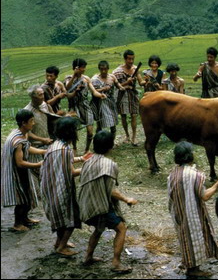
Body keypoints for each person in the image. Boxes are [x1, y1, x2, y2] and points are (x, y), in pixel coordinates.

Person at [168, 141, 218, 277]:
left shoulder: (172, 174)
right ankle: (193, 270)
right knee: (194, 237)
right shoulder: (195, 175)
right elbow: (205, 196)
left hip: (179, 212)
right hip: (192, 213)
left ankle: (189, 265)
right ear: (190, 156)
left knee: (185, 238)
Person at [78, 130, 137, 273]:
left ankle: (88, 257)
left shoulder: (88, 161)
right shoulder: (109, 165)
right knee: (121, 228)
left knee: (99, 229)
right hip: (99, 206)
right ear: (110, 146)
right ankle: (116, 263)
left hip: (85, 204)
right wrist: (126, 199)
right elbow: (111, 191)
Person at [40, 117, 86, 256]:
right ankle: (61, 247)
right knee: (71, 218)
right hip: (59, 188)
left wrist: (82, 159)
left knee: (61, 217)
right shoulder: (65, 150)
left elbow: (66, 162)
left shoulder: (55, 145)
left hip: (49, 187)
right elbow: (71, 172)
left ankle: (60, 242)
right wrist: (88, 168)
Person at [1, 109, 46, 232]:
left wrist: (42, 151)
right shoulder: (18, 140)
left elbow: (28, 147)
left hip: (20, 171)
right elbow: (20, 163)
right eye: (31, 121)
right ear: (23, 123)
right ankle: (17, 224)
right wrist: (37, 164)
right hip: (16, 172)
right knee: (21, 199)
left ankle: (25, 219)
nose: (34, 123)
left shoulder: (20, 134)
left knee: (27, 195)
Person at [65, 58, 106, 154]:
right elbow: (67, 88)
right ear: (76, 68)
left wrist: (100, 95)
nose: (84, 69)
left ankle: (87, 149)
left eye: (84, 67)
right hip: (73, 106)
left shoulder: (86, 78)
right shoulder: (68, 78)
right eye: (82, 67)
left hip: (85, 105)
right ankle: (74, 147)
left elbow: (93, 91)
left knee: (90, 131)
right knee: (73, 129)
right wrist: (74, 75)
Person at [24, 85, 55, 193]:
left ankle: (47, 192)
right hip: (36, 146)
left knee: (49, 171)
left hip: (47, 143)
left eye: (43, 94)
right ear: (33, 97)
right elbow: (28, 133)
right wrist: (42, 139)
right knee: (38, 172)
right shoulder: (27, 111)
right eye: (40, 94)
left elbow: (51, 118)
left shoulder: (44, 105)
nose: (43, 96)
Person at [112, 50, 146, 146]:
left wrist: (146, 81)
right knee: (123, 115)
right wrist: (127, 82)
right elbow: (115, 85)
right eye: (129, 59)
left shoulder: (135, 69)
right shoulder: (117, 71)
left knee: (134, 115)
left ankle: (134, 137)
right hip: (122, 95)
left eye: (132, 59)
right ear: (125, 59)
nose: (131, 61)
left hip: (132, 94)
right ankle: (127, 135)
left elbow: (141, 82)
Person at [90, 61, 125, 142]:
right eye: (102, 69)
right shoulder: (94, 79)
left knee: (112, 123)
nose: (103, 71)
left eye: (105, 69)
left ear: (108, 69)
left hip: (110, 103)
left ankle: (111, 142)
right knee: (99, 124)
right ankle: (98, 142)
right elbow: (93, 91)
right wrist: (104, 89)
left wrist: (121, 88)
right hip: (99, 103)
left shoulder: (112, 77)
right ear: (99, 69)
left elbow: (118, 85)